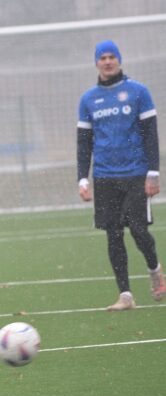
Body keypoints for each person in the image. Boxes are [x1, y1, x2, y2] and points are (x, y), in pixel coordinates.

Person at [77, 40, 166, 311]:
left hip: (136, 173)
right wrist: (83, 178)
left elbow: (150, 135)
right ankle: (125, 295)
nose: (107, 61)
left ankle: (155, 270)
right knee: (113, 235)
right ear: (96, 63)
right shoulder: (88, 99)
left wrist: (153, 171)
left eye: (111, 57)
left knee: (138, 230)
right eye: (102, 57)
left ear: (119, 60)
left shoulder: (138, 92)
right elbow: (84, 142)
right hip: (104, 177)